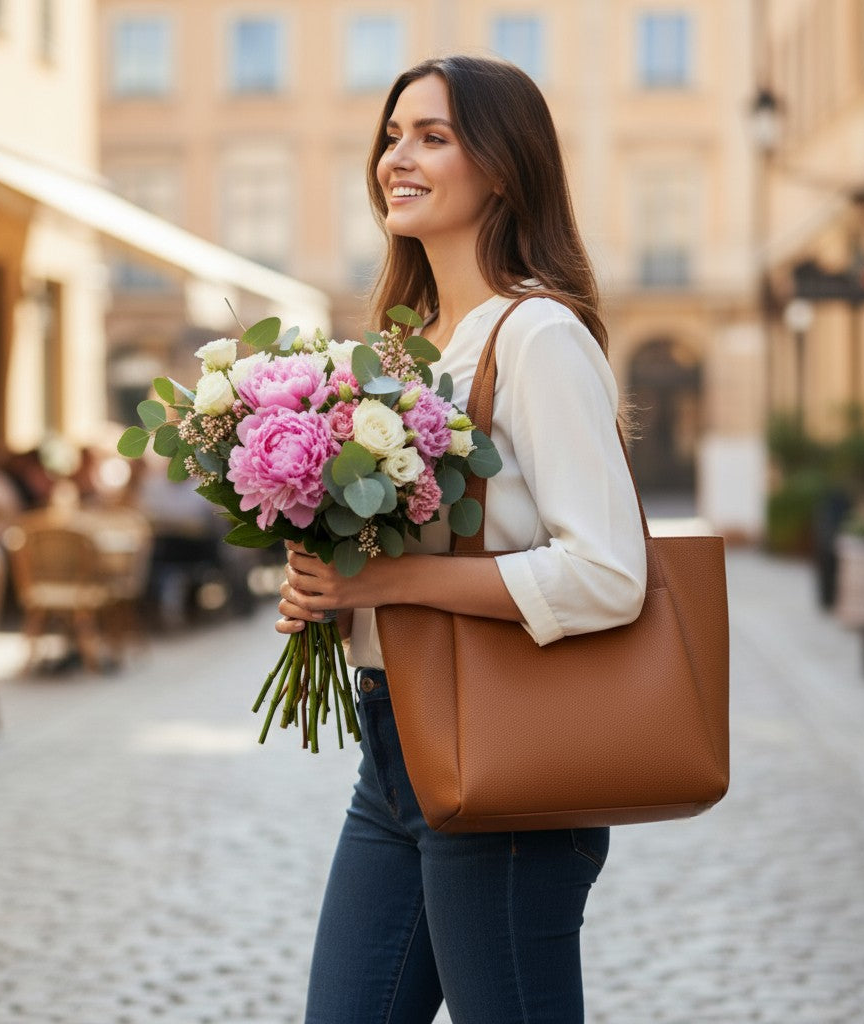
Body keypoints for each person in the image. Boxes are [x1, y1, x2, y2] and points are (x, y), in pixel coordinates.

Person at [276, 54, 647, 1024]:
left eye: (432, 136)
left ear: (502, 167)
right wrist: (328, 583)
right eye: (394, 135)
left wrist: (389, 582)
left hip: (508, 771)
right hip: (395, 758)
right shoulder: (407, 351)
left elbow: (609, 575)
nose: (398, 156)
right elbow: (395, 565)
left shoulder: (536, 336)